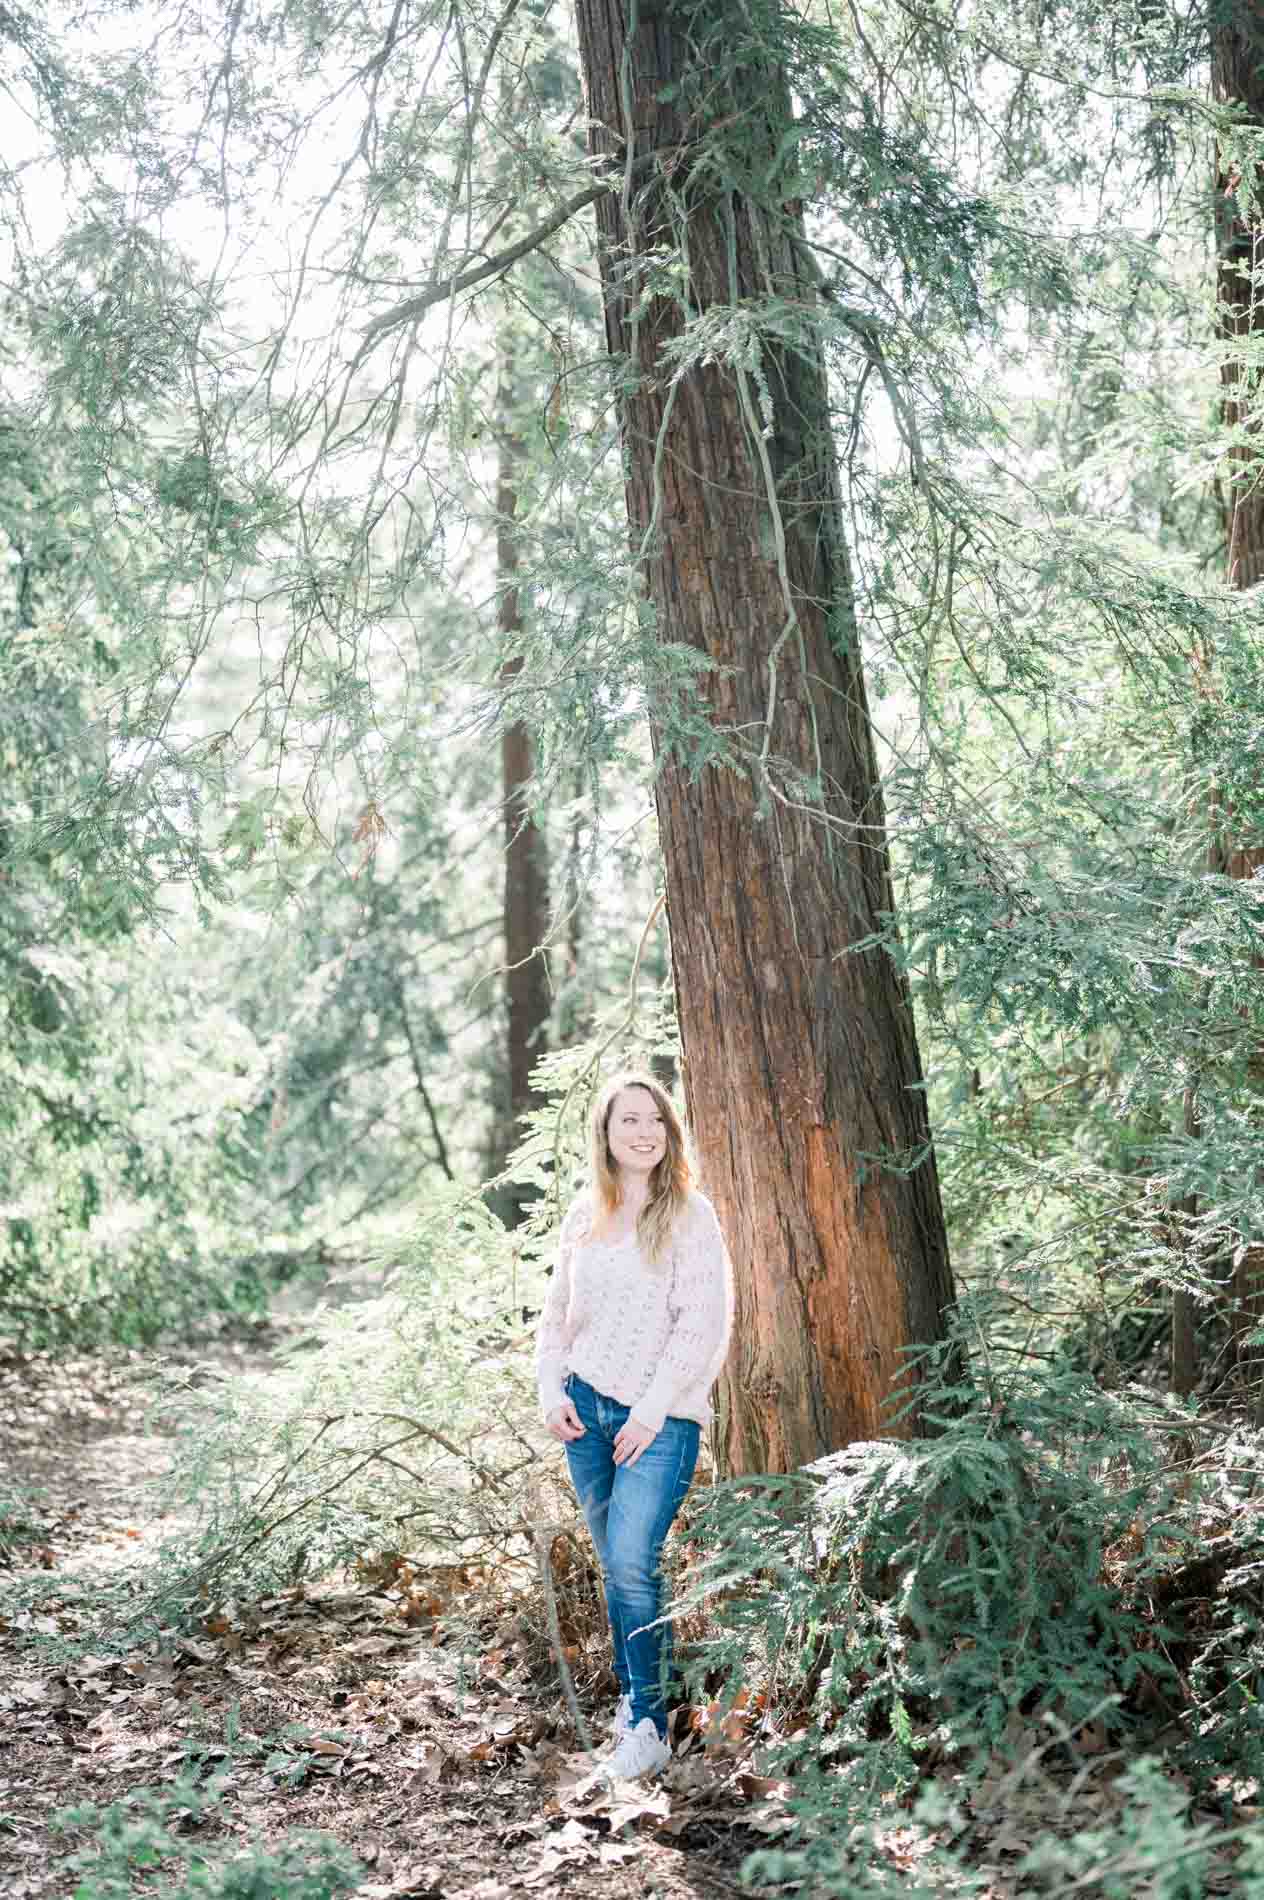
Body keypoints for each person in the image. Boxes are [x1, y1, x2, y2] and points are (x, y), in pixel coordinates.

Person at [536, 1070, 734, 1780]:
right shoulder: (585, 1214)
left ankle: (646, 1727)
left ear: (669, 1130)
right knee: (622, 1573)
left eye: (655, 1119)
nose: (644, 1131)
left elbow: (701, 1324)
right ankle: (646, 1702)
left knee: (628, 1563)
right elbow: (557, 1317)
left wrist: (650, 1412)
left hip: (662, 1417)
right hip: (584, 1415)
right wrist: (549, 1388)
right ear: (607, 1134)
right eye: (629, 1121)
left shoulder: (691, 1214)